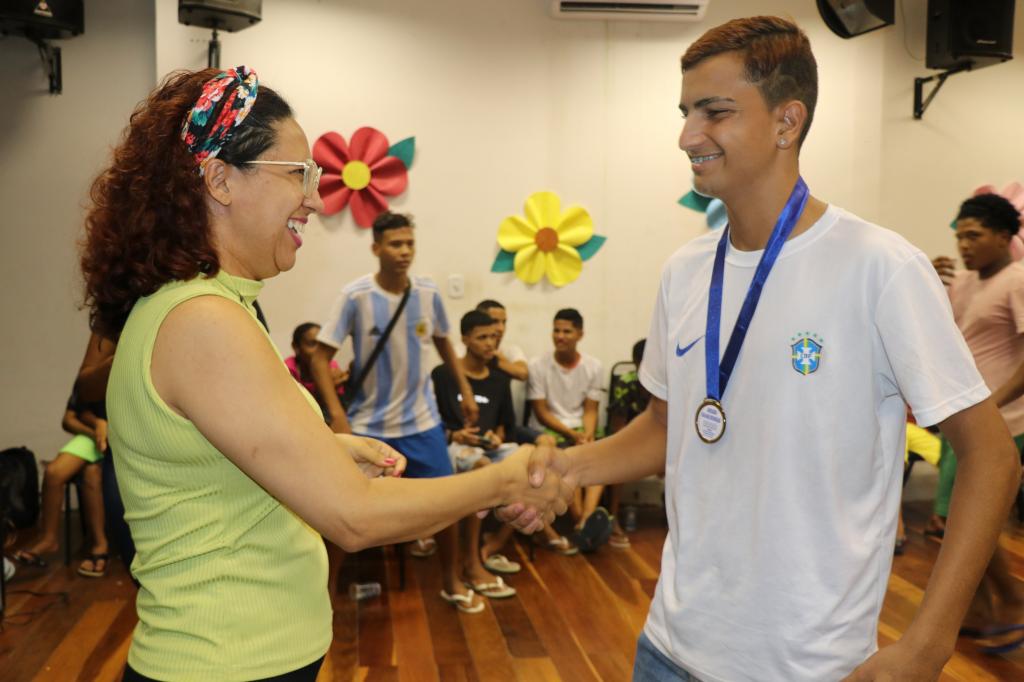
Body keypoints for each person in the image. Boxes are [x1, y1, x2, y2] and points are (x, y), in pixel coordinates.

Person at [529, 17, 1020, 681]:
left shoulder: (879, 267)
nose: (687, 135)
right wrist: (567, 467)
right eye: (685, 113)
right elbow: (666, 427)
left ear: (788, 121)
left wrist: (927, 646)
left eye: (714, 112)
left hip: (806, 665)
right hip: (668, 648)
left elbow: (991, 457)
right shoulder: (684, 271)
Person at [80, 66, 570, 681]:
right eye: (298, 174)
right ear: (220, 179)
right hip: (226, 663)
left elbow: (211, 460)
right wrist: (503, 481)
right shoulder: (202, 319)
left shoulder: (201, 306)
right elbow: (354, 516)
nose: (314, 198)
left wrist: (328, 449)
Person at [311, 210, 488, 612]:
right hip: (369, 425)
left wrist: (464, 390)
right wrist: (338, 417)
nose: (404, 251)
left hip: (422, 422)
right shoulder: (355, 296)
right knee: (345, 512)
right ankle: (324, 592)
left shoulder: (427, 293)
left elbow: (444, 342)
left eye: (409, 243)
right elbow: (320, 358)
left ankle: (450, 580)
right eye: (395, 244)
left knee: (444, 504)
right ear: (376, 248)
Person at [928, 193, 1024, 651]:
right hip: (962, 419)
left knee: (958, 515)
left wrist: (991, 404)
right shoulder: (964, 282)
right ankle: (986, 607)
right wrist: (929, 280)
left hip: (1006, 422)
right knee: (957, 517)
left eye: (975, 236)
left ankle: (1011, 601)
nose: (964, 245)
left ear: (1004, 237)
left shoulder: (1018, 280)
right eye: (960, 236)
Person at [433, 310, 522, 597]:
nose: (490, 343)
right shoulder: (443, 374)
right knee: (481, 468)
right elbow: (431, 421)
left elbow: (505, 425)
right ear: (465, 339)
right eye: (482, 337)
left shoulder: (499, 379)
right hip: (453, 446)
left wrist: (497, 437)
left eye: (494, 337)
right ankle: (471, 563)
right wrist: (454, 434)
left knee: (528, 465)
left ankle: (494, 543)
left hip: (488, 447)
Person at [528, 308, 610, 552]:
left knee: (599, 458)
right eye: (556, 330)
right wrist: (572, 435)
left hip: (580, 428)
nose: (560, 336)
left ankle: (585, 521)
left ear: (580, 335)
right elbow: (541, 412)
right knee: (568, 462)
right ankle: (582, 523)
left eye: (567, 331)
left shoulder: (594, 366)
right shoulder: (538, 365)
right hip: (550, 429)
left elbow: (591, 409)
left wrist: (587, 435)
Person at [12, 383, 109, 577]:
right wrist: (96, 430)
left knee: (91, 473)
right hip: (92, 435)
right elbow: (69, 419)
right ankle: (49, 538)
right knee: (54, 472)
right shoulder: (88, 375)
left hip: (122, 436)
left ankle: (100, 543)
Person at [284, 321, 347, 418]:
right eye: (312, 344)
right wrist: (327, 387)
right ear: (296, 347)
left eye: (322, 345)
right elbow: (290, 405)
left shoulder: (331, 366)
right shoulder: (288, 369)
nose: (319, 351)